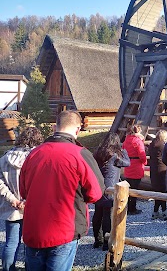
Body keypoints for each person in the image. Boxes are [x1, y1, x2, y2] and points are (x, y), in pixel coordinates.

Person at [19, 110, 104, 271]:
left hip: (34, 229)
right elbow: (96, 193)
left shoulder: (33, 154)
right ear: (78, 130)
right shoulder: (80, 154)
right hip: (64, 229)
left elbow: (23, 192)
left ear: (54, 127)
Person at [0, 127, 43, 271]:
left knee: (11, 243)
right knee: (32, 243)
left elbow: (0, 183)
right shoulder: (38, 157)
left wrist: (13, 200)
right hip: (33, 207)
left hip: (11, 207)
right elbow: (39, 182)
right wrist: (27, 201)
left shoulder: (5, 158)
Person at [92, 132, 130, 251]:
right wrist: (124, 152)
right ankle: (106, 241)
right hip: (110, 187)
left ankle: (97, 240)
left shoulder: (98, 152)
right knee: (107, 214)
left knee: (98, 212)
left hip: (98, 185)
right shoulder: (115, 155)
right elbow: (127, 163)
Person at [123, 124, 147, 214]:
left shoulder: (126, 140)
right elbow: (142, 154)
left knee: (128, 188)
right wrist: (144, 162)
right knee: (135, 189)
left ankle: (127, 207)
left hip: (129, 164)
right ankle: (132, 208)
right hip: (136, 166)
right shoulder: (138, 141)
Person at [149, 130, 167, 220]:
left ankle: (156, 211)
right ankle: (164, 211)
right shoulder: (163, 146)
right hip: (162, 169)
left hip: (153, 169)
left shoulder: (152, 144)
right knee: (163, 191)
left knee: (157, 191)